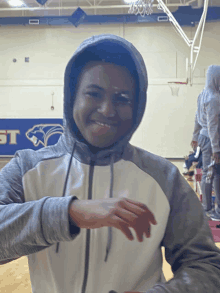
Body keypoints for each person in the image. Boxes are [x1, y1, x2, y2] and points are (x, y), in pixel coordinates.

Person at [1, 34, 220, 293]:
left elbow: (206, 266)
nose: (107, 109)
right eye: (94, 94)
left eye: (122, 98)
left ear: (138, 105)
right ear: (72, 97)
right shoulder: (27, 168)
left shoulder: (165, 179)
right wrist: (70, 213)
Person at [191, 65, 220, 221]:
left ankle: (208, 208)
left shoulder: (202, 94)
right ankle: (209, 209)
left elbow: (197, 117)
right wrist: (216, 149)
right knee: (211, 175)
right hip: (210, 139)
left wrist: (195, 136)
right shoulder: (214, 98)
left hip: (203, 137)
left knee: (211, 174)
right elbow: (213, 126)